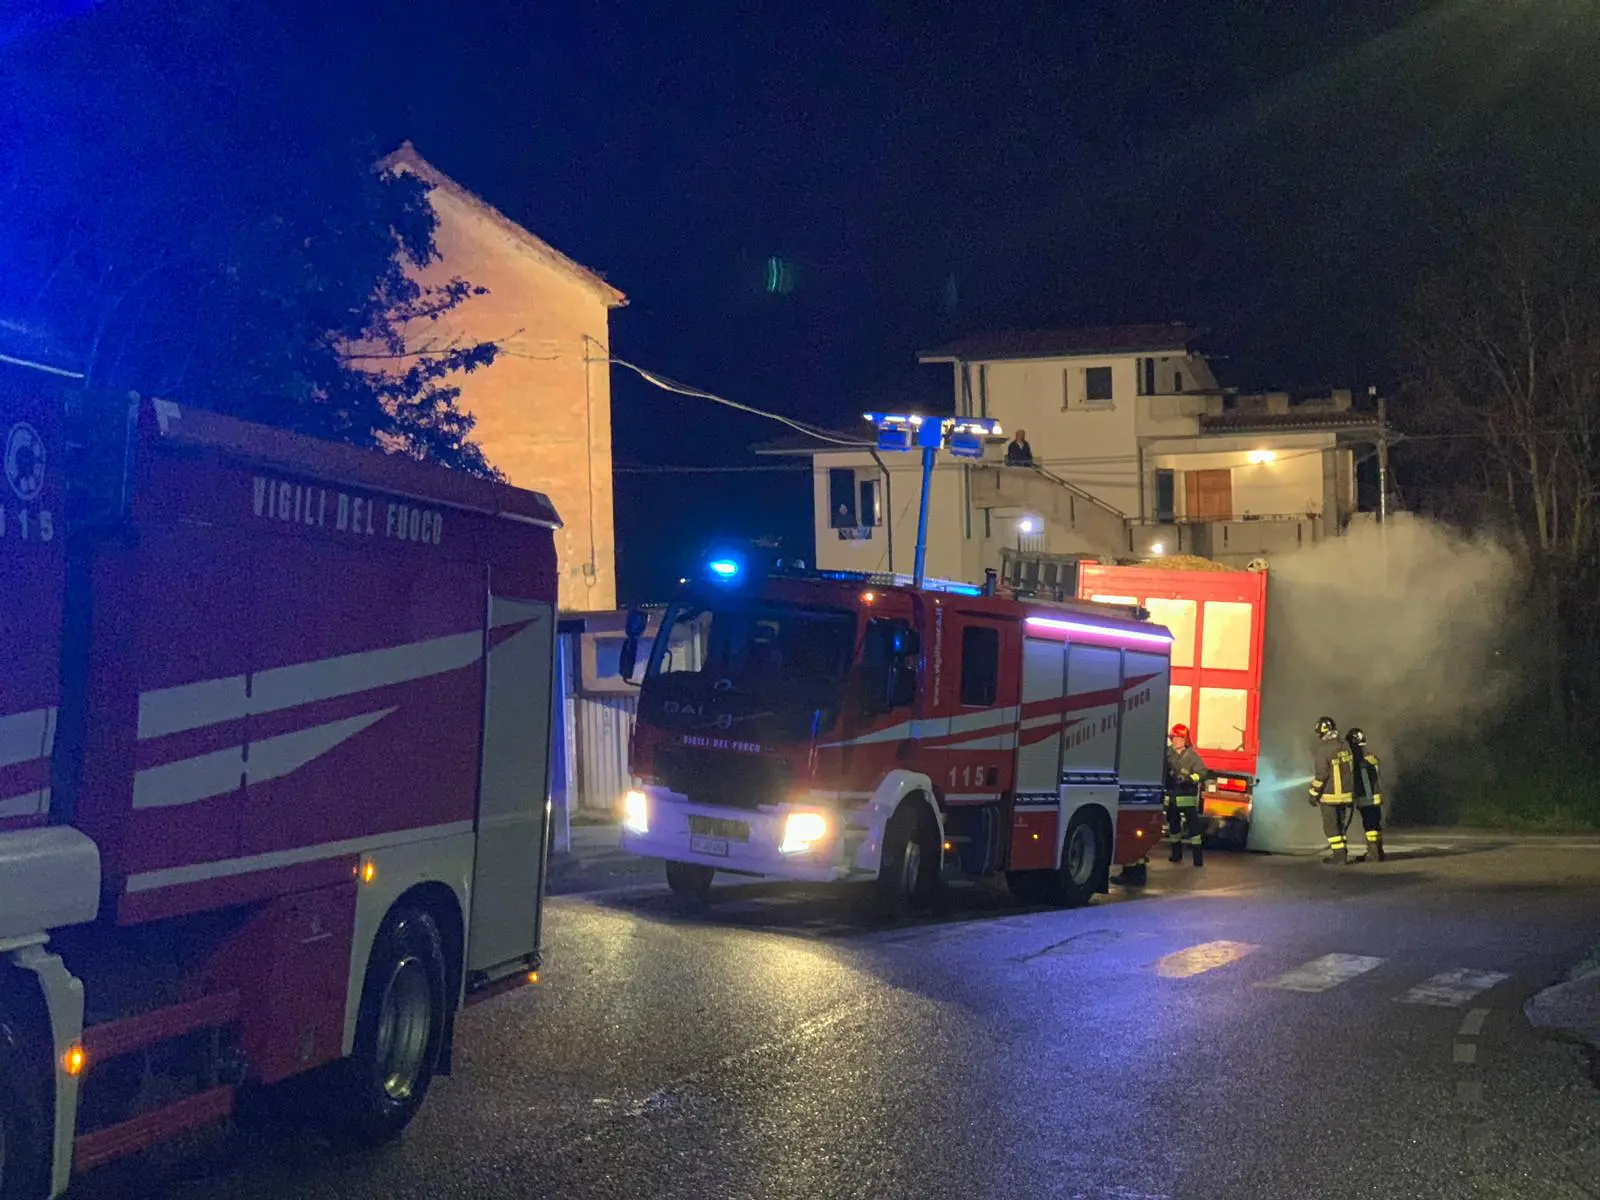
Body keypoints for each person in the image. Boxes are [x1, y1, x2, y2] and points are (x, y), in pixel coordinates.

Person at [1308, 715, 1355, 864]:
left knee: (1331, 828)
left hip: (1330, 796)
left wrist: (1313, 794)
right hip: (1347, 795)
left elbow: (1321, 775)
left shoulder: (1323, 751)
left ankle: (1339, 857)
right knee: (1341, 826)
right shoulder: (1346, 746)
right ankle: (1342, 853)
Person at [1166, 723, 1210, 867]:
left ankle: (1198, 859)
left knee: (1194, 831)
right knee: (1174, 828)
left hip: (1187, 798)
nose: (1175, 741)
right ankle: (1176, 855)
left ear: (1186, 740)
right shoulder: (1167, 754)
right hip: (1172, 798)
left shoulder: (1192, 756)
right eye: (1173, 738)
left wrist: (1190, 779)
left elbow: (1202, 773)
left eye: (1179, 738)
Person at [1347, 727, 1385, 862]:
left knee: (1370, 826)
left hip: (1366, 798)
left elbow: (1360, 779)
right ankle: (1378, 851)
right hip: (1375, 796)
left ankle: (1373, 854)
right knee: (1375, 825)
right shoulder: (1371, 755)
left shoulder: (1359, 759)